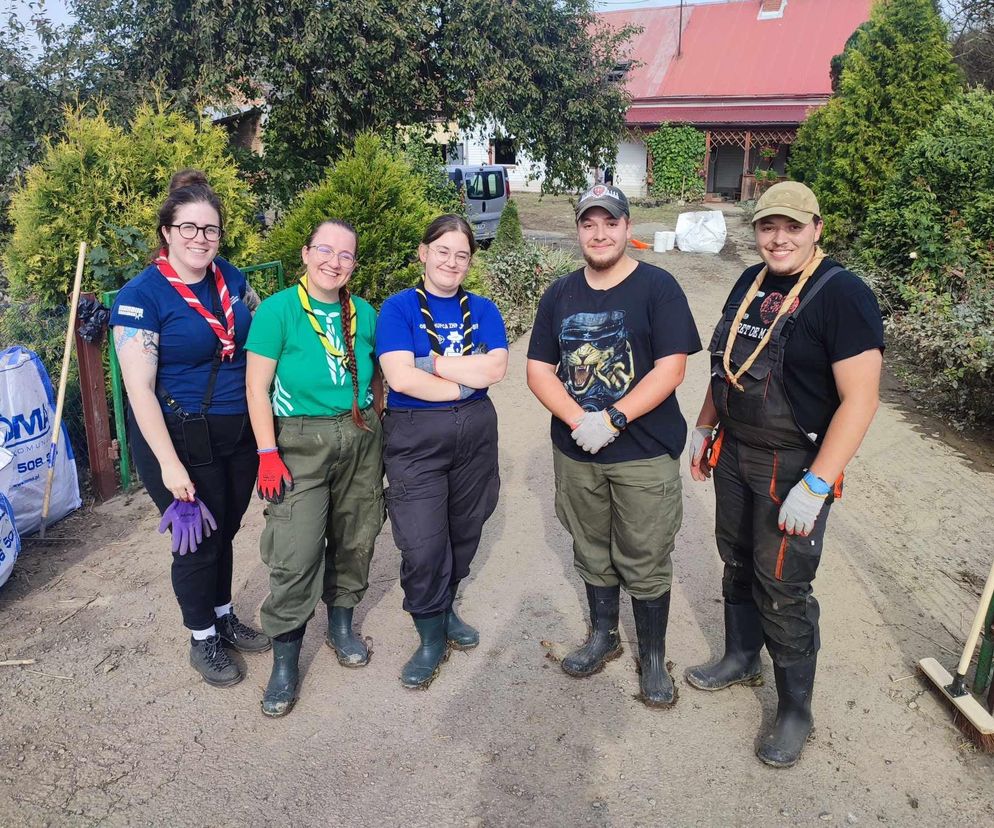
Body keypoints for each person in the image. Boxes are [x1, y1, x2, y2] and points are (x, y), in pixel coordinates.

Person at [686, 181, 883, 767]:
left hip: (792, 467)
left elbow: (861, 400)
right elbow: (729, 366)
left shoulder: (842, 294)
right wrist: (704, 427)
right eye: (769, 227)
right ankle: (740, 657)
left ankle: (796, 709)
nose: (779, 238)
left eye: (793, 227)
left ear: (816, 229)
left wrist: (818, 484)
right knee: (737, 560)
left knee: (783, 585)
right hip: (735, 452)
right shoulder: (750, 283)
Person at [526, 185, 701, 708]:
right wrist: (581, 418)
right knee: (591, 550)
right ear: (578, 230)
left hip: (643, 452)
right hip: (577, 450)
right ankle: (604, 636)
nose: (599, 233)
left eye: (610, 223)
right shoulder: (559, 294)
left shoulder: (658, 288)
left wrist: (616, 416)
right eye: (588, 224)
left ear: (628, 228)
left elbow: (672, 368)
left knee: (645, 555)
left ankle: (652, 657)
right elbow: (538, 369)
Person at [110, 169, 270, 688]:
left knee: (225, 530)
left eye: (210, 229)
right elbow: (139, 391)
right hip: (179, 439)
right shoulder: (143, 297)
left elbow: (258, 335)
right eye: (189, 228)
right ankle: (201, 637)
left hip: (238, 434)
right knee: (196, 541)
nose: (200, 239)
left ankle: (222, 615)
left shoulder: (232, 278)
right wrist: (170, 465)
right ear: (167, 231)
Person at [244, 219, 384, 718]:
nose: (335, 262)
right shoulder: (278, 311)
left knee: (356, 534)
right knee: (296, 550)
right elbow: (255, 388)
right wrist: (267, 452)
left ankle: (341, 626)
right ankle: (285, 659)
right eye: (325, 250)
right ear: (306, 254)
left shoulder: (363, 313)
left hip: (361, 435)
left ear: (354, 264)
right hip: (299, 441)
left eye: (346, 255)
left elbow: (380, 376)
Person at [375, 214, 508, 689]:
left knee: (465, 529)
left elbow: (495, 369)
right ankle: (429, 636)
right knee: (423, 542)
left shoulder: (484, 309)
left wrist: (431, 362)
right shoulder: (398, 309)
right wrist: (459, 385)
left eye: (462, 255)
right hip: (415, 436)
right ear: (423, 252)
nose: (451, 262)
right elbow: (400, 377)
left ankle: (445, 608)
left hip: (475, 434)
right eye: (443, 251)